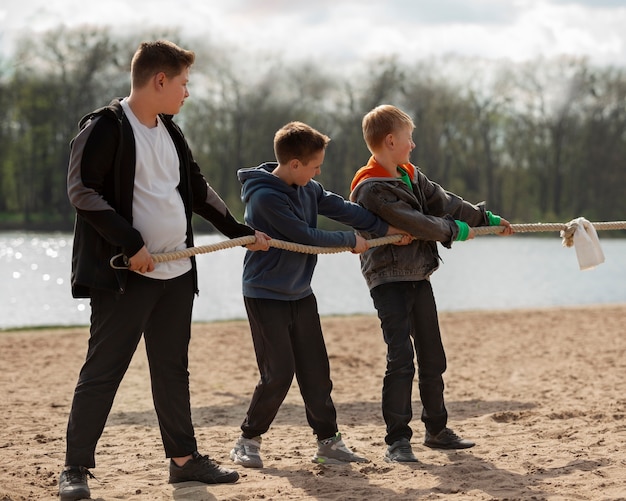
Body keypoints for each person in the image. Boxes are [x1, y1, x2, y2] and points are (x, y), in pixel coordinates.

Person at [58, 40, 270, 501]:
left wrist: (238, 229)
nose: (186, 93)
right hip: (124, 275)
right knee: (103, 370)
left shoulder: (171, 131)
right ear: (159, 81)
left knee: (172, 370)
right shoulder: (105, 127)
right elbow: (82, 191)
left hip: (175, 275)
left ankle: (183, 461)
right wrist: (130, 242)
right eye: (183, 84)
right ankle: (75, 468)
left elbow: (197, 189)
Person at [229, 121, 407, 468]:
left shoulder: (307, 187)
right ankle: (247, 440)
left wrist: (384, 229)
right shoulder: (265, 198)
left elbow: (341, 208)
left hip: (300, 293)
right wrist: (349, 241)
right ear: (294, 164)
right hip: (266, 295)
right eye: (314, 166)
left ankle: (328, 443)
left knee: (316, 371)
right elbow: (305, 236)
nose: (318, 171)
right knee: (278, 373)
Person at [349, 104, 513, 463]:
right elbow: (417, 223)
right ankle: (397, 440)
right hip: (388, 279)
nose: (413, 145)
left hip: (418, 276)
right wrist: (457, 231)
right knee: (401, 358)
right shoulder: (371, 189)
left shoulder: (410, 173)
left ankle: (436, 429)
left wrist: (483, 217)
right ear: (391, 141)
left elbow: (444, 202)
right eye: (409, 139)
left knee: (432, 355)